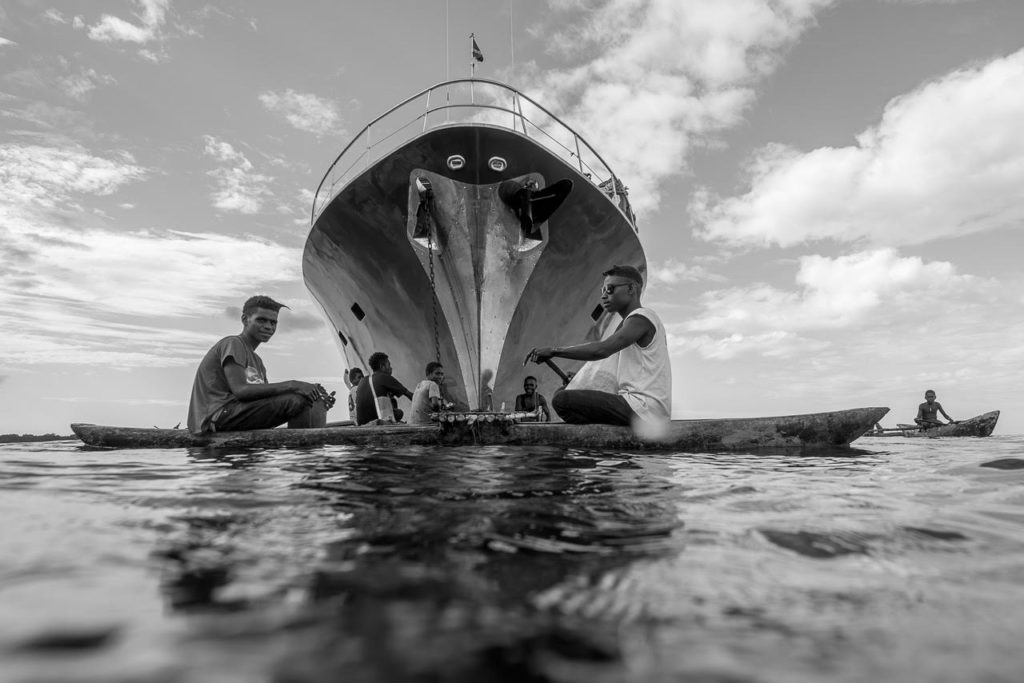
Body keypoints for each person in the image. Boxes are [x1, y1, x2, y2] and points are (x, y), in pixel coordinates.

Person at [526, 264, 670, 426]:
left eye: (609, 289)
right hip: (635, 406)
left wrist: (554, 351)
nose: (603, 296)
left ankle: (602, 434)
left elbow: (601, 350)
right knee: (564, 392)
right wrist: (578, 382)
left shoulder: (642, 318)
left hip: (643, 408)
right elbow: (611, 372)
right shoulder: (628, 324)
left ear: (631, 289)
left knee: (562, 399)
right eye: (602, 290)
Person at [187, 295, 333, 434]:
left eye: (273, 322)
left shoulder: (258, 361)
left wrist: (315, 396)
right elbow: (241, 390)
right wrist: (294, 384)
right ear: (245, 319)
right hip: (215, 415)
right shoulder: (233, 343)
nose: (269, 327)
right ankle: (303, 452)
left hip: (235, 413)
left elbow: (264, 398)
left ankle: (310, 454)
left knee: (312, 398)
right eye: (261, 320)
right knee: (298, 399)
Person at [354, 352, 413, 425]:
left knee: (392, 401)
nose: (391, 368)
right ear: (382, 366)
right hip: (377, 422)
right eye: (389, 365)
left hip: (362, 424)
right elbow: (410, 395)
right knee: (399, 413)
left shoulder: (363, 381)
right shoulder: (384, 377)